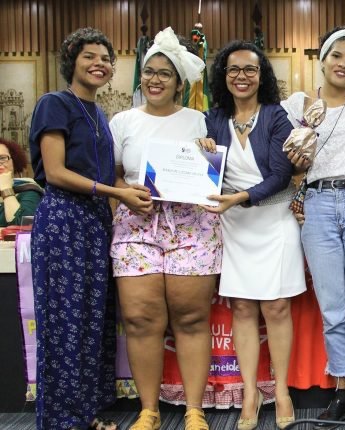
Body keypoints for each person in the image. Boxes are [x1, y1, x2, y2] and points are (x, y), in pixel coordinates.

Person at [28, 27, 146, 430]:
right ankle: (61, 420)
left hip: (96, 222)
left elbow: (108, 173)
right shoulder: (54, 103)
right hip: (63, 219)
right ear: (71, 62)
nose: (99, 64)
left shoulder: (99, 115)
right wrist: (116, 192)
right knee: (64, 323)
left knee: (92, 322)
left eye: (106, 58)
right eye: (89, 56)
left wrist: (126, 194)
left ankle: (84, 414)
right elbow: (56, 173)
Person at [108, 27, 220, 430]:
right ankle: (148, 410)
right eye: (149, 72)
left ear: (179, 83)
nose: (155, 80)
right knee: (141, 320)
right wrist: (125, 195)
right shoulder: (122, 122)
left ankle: (194, 410)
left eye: (165, 73)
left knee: (191, 318)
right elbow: (112, 176)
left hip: (191, 225)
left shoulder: (199, 120)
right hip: (136, 224)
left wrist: (210, 154)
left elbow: (214, 172)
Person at [282, 26, 345, 428]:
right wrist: (298, 180)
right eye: (337, 56)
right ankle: (342, 391)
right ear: (322, 60)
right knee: (333, 307)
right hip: (318, 205)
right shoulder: (298, 105)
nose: (344, 64)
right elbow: (285, 161)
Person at [202, 40, 305, 430]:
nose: (241, 76)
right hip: (234, 224)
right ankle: (250, 393)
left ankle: (281, 391)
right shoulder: (211, 120)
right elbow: (204, 172)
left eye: (250, 69)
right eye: (233, 69)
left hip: (274, 218)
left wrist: (240, 197)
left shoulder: (277, 117)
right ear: (223, 76)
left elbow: (281, 175)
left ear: (262, 76)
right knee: (242, 308)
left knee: (276, 307)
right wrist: (202, 151)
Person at [0, 138, 43, 226]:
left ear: (14, 161)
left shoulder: (28, 190)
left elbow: (24, 226)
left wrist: (6, 189)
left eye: (3, 158)